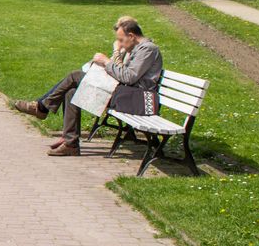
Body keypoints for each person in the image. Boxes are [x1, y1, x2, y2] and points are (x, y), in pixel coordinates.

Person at [14, 17, 163, 157]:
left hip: (137, 100)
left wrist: (107, 61)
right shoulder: (135, 49)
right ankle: (70, 143)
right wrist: (109, 60)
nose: (120, 44)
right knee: (72, 91)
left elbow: (128, 77)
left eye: (121, 40)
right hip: (125, 94)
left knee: (75, 76)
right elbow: (123, 74)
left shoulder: (147, 49)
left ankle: (42, 107)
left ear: (131, 36)